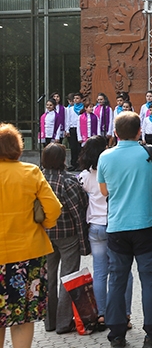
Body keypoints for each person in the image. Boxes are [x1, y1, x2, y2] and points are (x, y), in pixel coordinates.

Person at [97, 111, 152, 348]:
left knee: (117, 280)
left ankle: (117, 335)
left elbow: (105, 192)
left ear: (115, 133)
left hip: (117, 226)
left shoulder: (105, 157)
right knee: (150, 280)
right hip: (147, 224)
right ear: (140, 131)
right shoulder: (149, 153)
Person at [0, 123, 62, 348]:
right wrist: (43, 223)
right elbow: (54, 209)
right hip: (28, 255)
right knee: (23, 318)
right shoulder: (31, 172)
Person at [78, 135, 133, 332]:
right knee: (123, 272)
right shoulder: (113, 169)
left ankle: (101, 314)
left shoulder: (84, 176)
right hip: (115, 224)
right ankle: (124, 314)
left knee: (100, 272)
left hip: (95, 227)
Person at [40, 143, 91, 334]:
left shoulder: (38, 179)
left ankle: (49, 321)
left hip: (45, 235)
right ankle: (63, 323)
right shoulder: (68, 182)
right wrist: (83, 242)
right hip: (67, 235)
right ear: (62, 160)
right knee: (68, 278)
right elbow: (77, 213)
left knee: (49, 279)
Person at [65, 92, 83, 170]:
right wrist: (67, 130)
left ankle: (80, 164)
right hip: (72, 129)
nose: (75, 100)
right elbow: (67, 120)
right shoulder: (70, 109)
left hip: (81, 129)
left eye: (77, 98)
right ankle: (73, 164)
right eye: (74, 98)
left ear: (81, 99)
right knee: (73, 147)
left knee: (80, 147)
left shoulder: (83, 109)